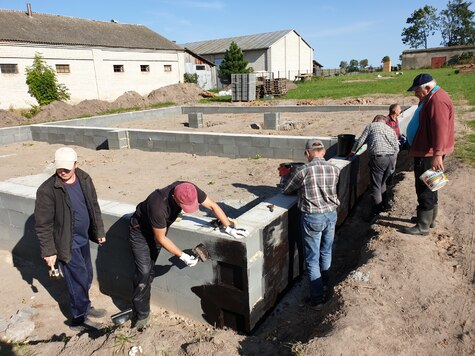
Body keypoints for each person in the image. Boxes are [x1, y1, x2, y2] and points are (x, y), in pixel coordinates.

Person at [129, 181, 248, 330]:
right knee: (144, 272)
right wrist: (182, 256)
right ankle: (141, 315)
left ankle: (144, 289)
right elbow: (160, 238)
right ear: (174, 197)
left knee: (149, 271)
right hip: (141, 231)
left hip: (159, 227)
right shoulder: (157, 206)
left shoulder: (188, 188)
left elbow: (212, 205)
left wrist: (228, 227)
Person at [34, 147, 107, 331]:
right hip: (66, 243)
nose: (63, 172)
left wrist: (99, 230)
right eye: (60, 168)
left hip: (83, 238)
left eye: (67, 168)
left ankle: (85, 306)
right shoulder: (48, 190)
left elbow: (93, 206)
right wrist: (49, 251)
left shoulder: (84, 178)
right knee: (78, 279)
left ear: (76, 164)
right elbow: (43, 225)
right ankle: (78, 318)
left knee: (87, 275)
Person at [283, 139, 340, 310]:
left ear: (308, 153)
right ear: (323, 152)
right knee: (326, 251)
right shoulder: (335, 169)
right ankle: (324, 285)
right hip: (331, 215)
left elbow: (287, 190)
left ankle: (317, 300)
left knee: (312, 259)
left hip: (313, 217)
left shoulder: (303, 170)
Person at [403, 73, 454, 235]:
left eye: (417, 91)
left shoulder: (437, 100)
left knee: (424, 187)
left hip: (429, 153)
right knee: (432, 184)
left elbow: (440, 129)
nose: (415, 94)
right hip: (429, 151)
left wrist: (437, 154)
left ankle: (423, 225)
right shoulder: (431, 97)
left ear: (427, 87)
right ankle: (429, 220)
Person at [349, 115, 399, 221]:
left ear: (375, 120)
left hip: (379, 158)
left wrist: (352, 152)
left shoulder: (371, 126)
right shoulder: (390, 129)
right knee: (382, 183)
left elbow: (360, 141)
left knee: (376, 186)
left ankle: (376, 213)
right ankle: (384, 206)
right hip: (391, 157)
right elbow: (397, 147)